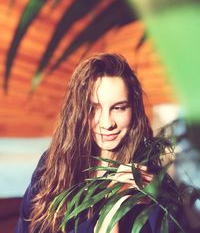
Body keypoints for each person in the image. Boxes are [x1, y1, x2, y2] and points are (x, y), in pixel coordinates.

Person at [16, 53, 181, 233]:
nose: (106, 123)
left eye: (118, 108)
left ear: (134, 110)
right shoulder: (51, 165)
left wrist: (115, 210)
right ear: (77, 112)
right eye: (93, 109)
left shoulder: (153, 182)